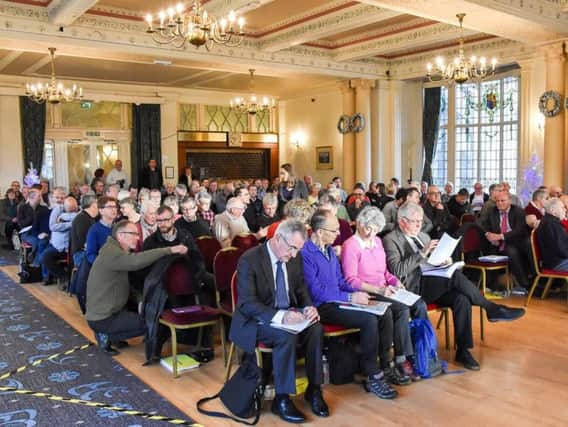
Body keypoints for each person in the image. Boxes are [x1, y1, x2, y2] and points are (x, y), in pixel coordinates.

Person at [383, 202, 525, 370]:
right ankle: (490, 308)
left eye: (421, 221)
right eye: (415, 222)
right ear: (402, 221)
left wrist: (444, 260)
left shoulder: (423, 237)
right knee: (455, 277)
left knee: (462, 299)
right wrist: (421, 253)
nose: (419, 225)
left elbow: (432, 262)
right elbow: (397, 270)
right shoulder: (390, 239)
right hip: (414, 288)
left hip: (433, 282)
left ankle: (463, 350)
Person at [229, 220, 329, 423]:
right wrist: (281, 316)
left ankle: (314, 389)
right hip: (256, 319)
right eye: (292, 248)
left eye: (298, 249)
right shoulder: (250, 259)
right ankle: (282, 398)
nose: (294, 254)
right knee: (285, 336)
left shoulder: (294, 256)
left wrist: (309, 307)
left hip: (288, 314)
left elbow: (301, 289)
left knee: (316, 329)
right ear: (277, 239)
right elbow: (247, 304)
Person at [302, 210, 400, 397]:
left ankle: (382, 365)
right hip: (322, 306)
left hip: (338, 299)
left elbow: (340, 282)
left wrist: (357, 293)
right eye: (334, 231)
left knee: (382, 311)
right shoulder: (306, 253)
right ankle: (372, 375)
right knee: (369, 320)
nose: (338, 234)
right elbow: (316, 291)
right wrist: (349, 298)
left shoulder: (329, 250)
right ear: (320, 232)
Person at [341, 206, 425, 382]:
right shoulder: (351, 246)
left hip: (384, 288)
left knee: (409, 305)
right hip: (366, 291)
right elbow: (351, 280)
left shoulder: (377, 241)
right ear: (361, 225)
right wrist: (379, 290)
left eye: (376, 230)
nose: (373, 234)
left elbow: (385, 272)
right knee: (400, 309)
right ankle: (396, 359)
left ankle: (404, 357)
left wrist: (396, 282)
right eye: (370, 230)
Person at [86, 220, 187, 355]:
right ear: (120, 235)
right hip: (103, 318)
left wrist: (139, 300)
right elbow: (136, 261)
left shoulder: (113, 249)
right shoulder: (112, 254)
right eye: (133, 234)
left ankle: (111, 335)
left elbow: (125, 284)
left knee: (150, 320)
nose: (137, 237)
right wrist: (169, 250)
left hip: (109, 313)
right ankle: (106, 335)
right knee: (154, 323)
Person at [144, 206, 214, 305]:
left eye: (166, 220)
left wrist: (188, 253)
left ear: (173, 219)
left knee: (216, 283)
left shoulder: (185, 235)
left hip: (191, 274)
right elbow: (148, 269)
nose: (162, 224)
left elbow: (198, 257)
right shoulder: (151, 241)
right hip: (165, 281)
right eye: (159, 220)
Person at [478, 191, 532, 293]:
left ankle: (525, 284)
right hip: (497, 244)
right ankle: (494, 285)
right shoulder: (492, 211)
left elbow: (519, 230)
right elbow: (480, 224)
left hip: (515, 241)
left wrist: (501, 236)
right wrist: (488, 235)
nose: (499, 203)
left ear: (509, 201)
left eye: (503, 201)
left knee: (513, 251)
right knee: (507, 251)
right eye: (497, 201)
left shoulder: (518, 211)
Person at [536, 198, 568, 271]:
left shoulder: (550, 221)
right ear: (553, 211)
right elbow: (561, 249)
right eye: (562, 208)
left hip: (558, 260)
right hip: (557, 262)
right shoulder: (551, 224)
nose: (565, 210)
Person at [85, 197, 118, 264]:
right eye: (110, 207)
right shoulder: (94, 230)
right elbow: (90, 255)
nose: (114, 209)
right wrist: (104, 264)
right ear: (101, 211)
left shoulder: (119, 227)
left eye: (115, 207)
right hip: (103, 266)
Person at [70, 195, 98, 267]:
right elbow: (85, 242)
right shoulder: (82, 218)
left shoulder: (89, 218)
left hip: (86, 252)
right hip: (80, 254)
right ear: (93, 205)